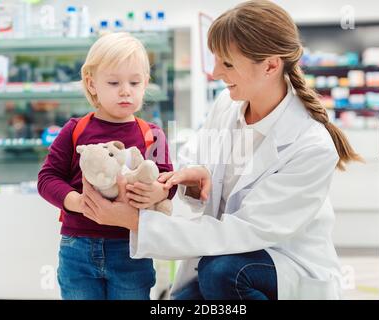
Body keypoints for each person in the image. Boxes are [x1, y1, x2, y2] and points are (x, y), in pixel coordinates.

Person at [81, 1, 362, 300]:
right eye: (215, 60)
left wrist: (135, 222)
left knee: (222, 273)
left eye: (227, 64)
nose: (215, 73)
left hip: (278, 264)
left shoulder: (311, 145)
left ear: (270, 65)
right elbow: (193, 167)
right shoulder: (227, 106)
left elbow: (243, 231)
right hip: (219, 259)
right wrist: (180, 184)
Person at [37, 32, 176, 300]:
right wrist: (76, 202)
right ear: (91, 84)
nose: (126, 90)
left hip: (131, 249)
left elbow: (168, 180)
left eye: (135, 82)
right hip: (77, 247)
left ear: (145, 83)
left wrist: (159, 192)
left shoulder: (153, 134)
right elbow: (47, 178)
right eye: (114, 82)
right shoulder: (75, 131)